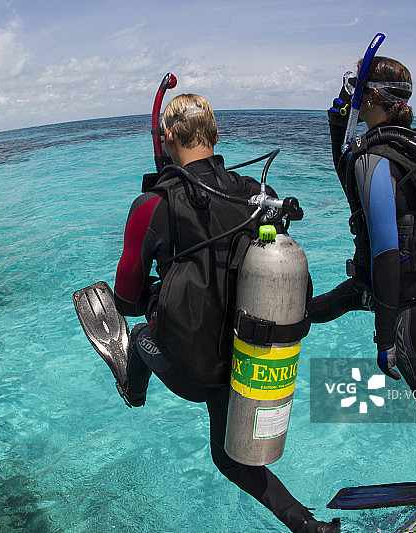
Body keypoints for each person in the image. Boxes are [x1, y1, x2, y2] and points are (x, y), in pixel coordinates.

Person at [113, 94, 340, 533]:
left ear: (167, 138)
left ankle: (133, 392)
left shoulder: (151, 206)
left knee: (139, 336)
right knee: (230, 458)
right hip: (247, 361)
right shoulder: (260, 196)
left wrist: (161, 293)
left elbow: (125, 300)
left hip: (193, 371)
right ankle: (309, 526)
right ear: (216, 135)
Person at [310, 56, 416, 508]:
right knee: (315, 309)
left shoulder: (375, 157)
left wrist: (386, 338)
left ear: (372, 97)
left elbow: (385, 250)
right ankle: (270, 327)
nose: (353, 96)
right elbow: (347, 172)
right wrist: (337, 121)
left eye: (357, 89)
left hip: (401, 302)